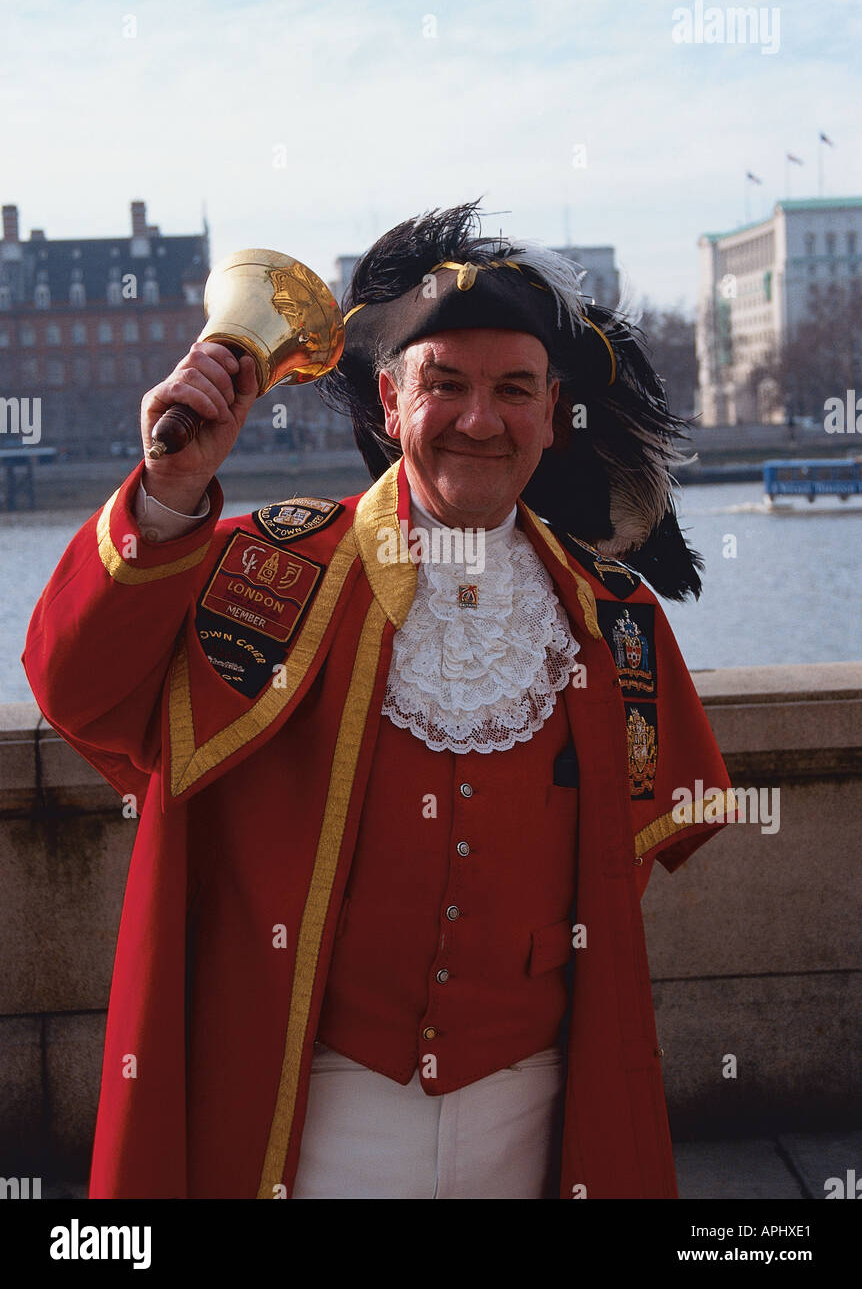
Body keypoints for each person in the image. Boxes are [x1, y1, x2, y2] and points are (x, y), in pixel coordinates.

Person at [23, 202, 733, 1200]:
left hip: (538, 1115)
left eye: (512, 390)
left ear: (550, 412)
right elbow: (81, 688)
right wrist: (168, 491)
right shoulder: (266, 573)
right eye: (444, 384)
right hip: (309, 1116)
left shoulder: (615, 621)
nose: (479, 419)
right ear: (391, 406)